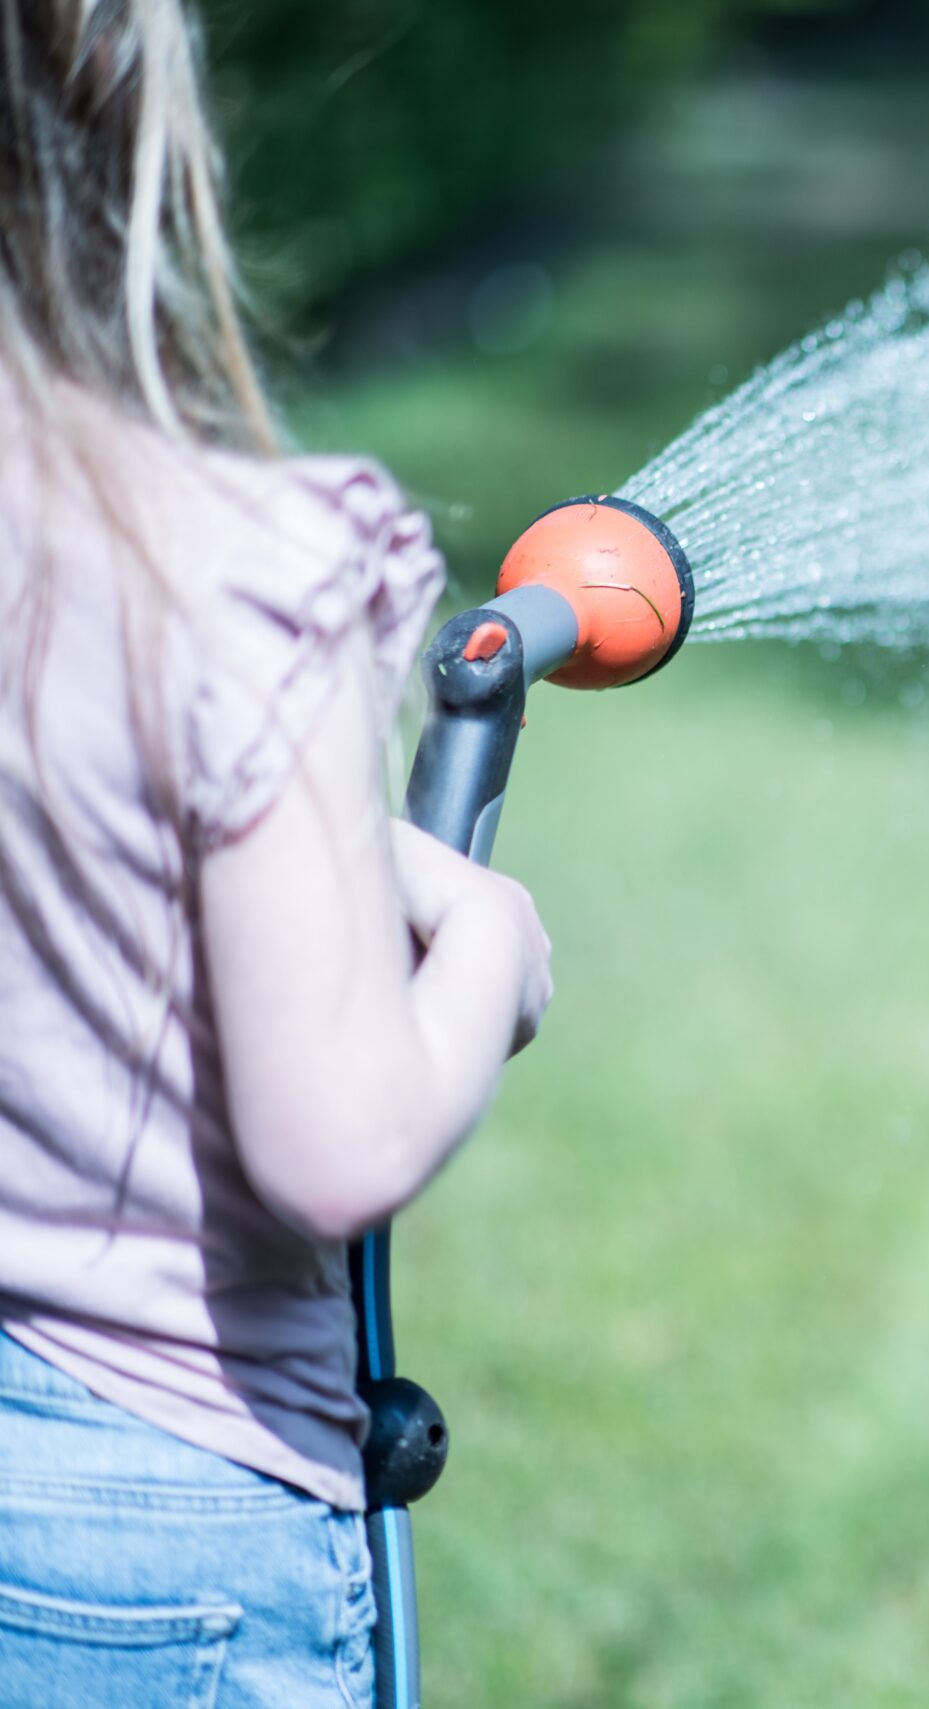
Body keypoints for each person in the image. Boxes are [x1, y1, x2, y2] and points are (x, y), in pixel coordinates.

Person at [0, 2, 554, 1702]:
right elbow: (340, 1142)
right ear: (127, 104)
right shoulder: (237, 575)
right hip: (163, 1545)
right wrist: (491, 942)